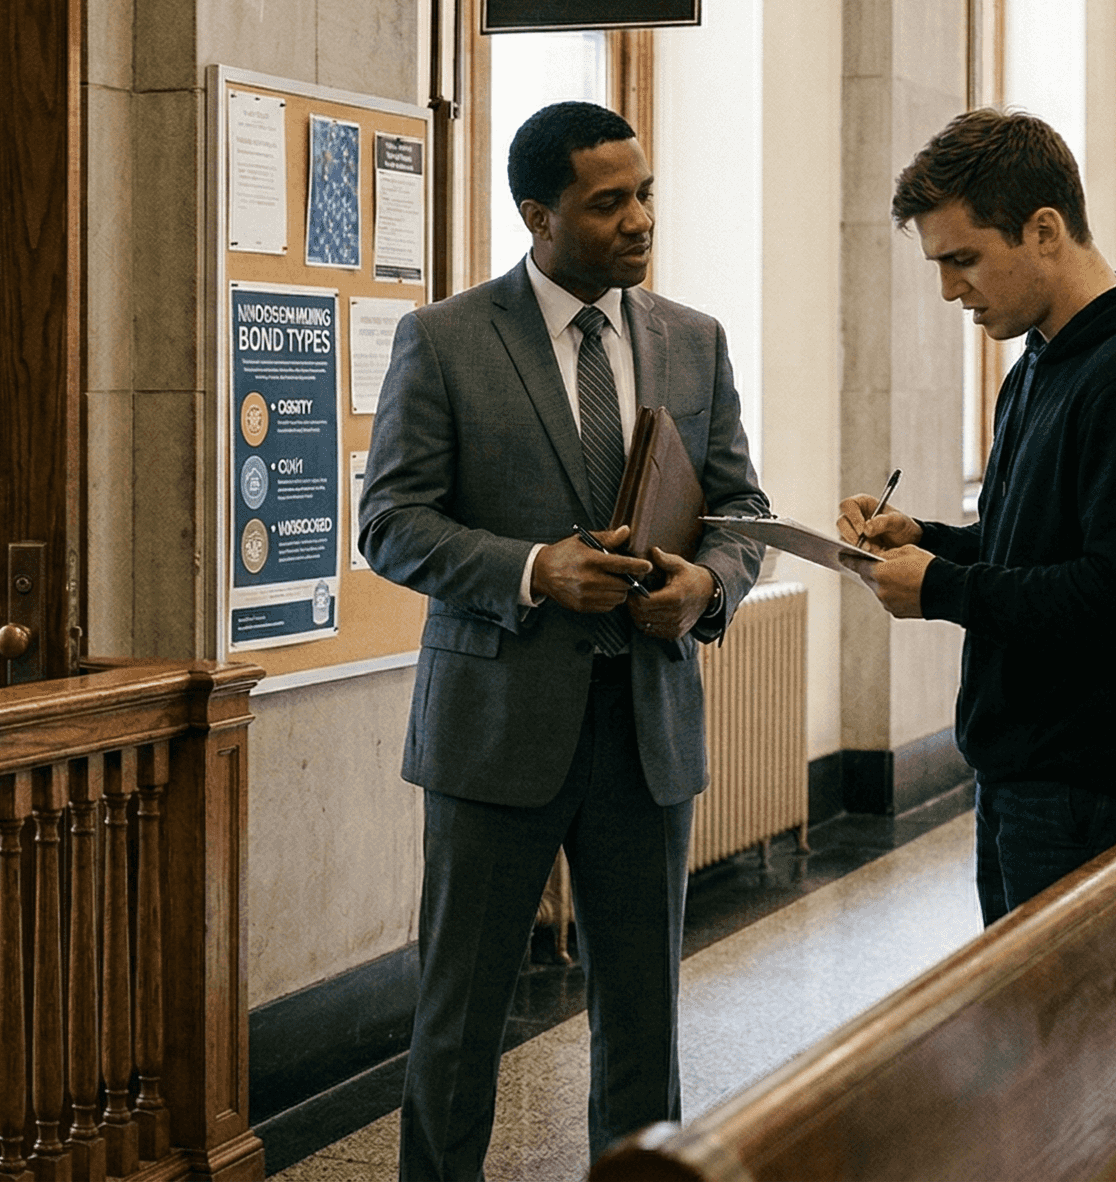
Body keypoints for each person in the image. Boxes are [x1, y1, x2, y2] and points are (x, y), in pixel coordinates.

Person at [358, 100, 768, 1180]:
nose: (640, 220)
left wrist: (706, 588)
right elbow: (389, 523)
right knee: (459, 1023)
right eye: (608, 202)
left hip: (647, 733)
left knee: (643, 1022)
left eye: (646, 194)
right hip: (495, 733)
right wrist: (536, 569)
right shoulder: (445, 340)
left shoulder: (693, 339)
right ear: (538, 215)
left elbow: (740, 510)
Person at [837, 108, 1116, 927]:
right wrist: (929, 541)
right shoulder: (1041, 361)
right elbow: (1036, 545)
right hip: (1027, 774)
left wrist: (943, 589)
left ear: (1044, 230)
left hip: (1097, 789)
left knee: (1079, 1016)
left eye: (964, 259)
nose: (950, 289)